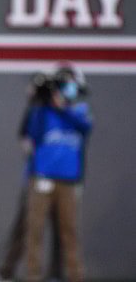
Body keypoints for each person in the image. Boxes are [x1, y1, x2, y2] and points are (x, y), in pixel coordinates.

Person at [0, 73, 63, 282]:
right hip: (36, 178)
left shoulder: (65, 111)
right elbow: (28, 141)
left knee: (61, 228)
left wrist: (57, 104)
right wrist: (37, 104)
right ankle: (8, 271)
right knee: (26, 227)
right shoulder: (36, 112)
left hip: (62, 178)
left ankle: (56, 273)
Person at [25, 65, 92, 282]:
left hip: (69, 181)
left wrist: (63, 108)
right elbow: (31, 132)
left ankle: (74, 276)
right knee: (34, 231)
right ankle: (33, 277)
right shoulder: (42, 111)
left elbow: (86, 126)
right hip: (42, 178)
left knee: (68, 233)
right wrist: (37, 100)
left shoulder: (79, 110)